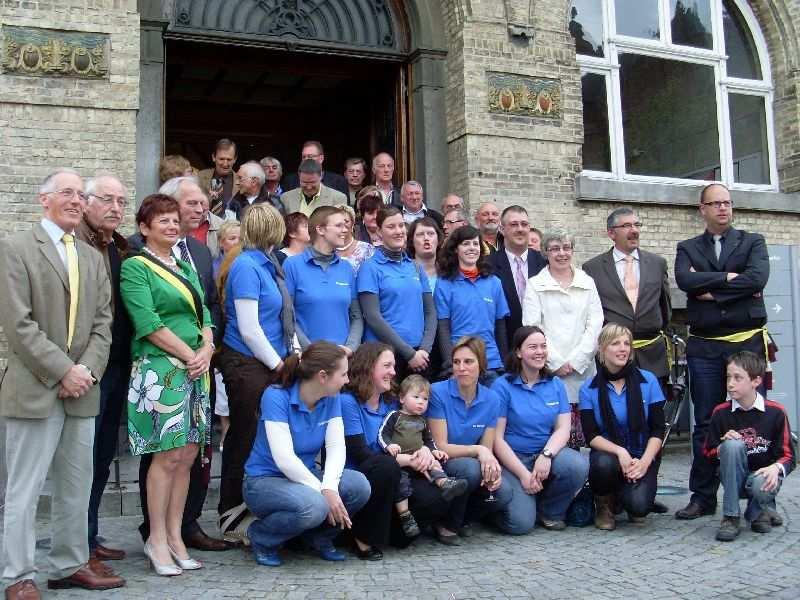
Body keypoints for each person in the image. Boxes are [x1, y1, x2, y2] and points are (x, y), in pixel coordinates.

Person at [0, 168, 120, 597]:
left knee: (76, 485)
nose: (74, 200)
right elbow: (18, 324)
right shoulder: (15, 249)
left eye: (79, 194)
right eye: (65, 192)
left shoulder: (92, 257)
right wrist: (63, 371)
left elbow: (104, 323)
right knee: (24, 489)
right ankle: (17, 575)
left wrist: (84, 371)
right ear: (43, 199)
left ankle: (69, 563)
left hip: (82, 391)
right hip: (34, 389)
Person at [129, 177, 227, 552]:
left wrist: (206, 347)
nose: (174, 224)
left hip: (198, 368)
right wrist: (190, 355)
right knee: (164, 453)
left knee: (190, 454)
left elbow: (207, 306)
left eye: (202, 203)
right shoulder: (137, 258)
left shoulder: (195, 255)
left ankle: (180, 530)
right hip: (161, 368)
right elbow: (146, 320)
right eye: (166, 219)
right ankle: (154, 535)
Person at [674, 183, 770, 521]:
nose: (723, 209)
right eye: (715, 204)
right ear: (702, 209)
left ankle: (761, 500)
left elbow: (757, 278)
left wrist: (712, 290)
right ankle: (702, 496)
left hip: (745, 342)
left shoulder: (752, 241)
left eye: (727, 203)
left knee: (756, 419)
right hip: (705, 347)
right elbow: (685, 281)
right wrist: (731, 280)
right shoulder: (686, 247)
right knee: (705, 421)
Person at [242, 342, 371, 566]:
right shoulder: (275, 396)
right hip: (264, 481)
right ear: (323, 376)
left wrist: (329, 486)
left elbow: (336, 447)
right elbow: (285, 459)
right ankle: (261, 537)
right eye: (343, 374)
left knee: (359, 485)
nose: (347, 380)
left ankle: (318, 537)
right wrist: (323, 491)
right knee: (315, 504)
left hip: (305, 478)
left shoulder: (332, 398)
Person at [216, 203, 297, 543]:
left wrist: (291, 353)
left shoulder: (270, 264)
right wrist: (279, 365)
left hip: (268, 363)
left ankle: (256, 509)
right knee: (244, 439)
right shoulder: (247, 266)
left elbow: (280, 318)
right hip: (249, 364)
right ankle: (231, 516)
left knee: (262, 439)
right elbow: (249, 328)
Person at [341, 343, 445, 559]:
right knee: (385, 466)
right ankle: (360, 536)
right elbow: (361, 454)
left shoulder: (390, 403)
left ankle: (392, 534)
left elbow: (415, 434)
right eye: (387, 366)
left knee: (436, 494)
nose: (393, 372)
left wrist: (425, 451)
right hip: (362, 475)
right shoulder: (348, 402)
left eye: (394, 366)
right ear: (368, 367)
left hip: (396, 476)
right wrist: (407, 460)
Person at [78, 174, 132, 565]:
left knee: (101, 456)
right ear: (86, 201)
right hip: (86, 366)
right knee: (81, 456)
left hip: (116, 365)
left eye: (122, 202)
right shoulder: (77, 244)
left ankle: (89, 535)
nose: (116, 208)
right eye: (108, 200)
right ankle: (75, 543)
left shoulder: (118, 246)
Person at [491, 327, 588, 534]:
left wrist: (546, 455)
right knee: (520, 525)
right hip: (513, 459)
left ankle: (550, 512)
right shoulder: (502, 386)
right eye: (532, 347)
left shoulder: (556, 384)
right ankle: (496, 511)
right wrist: (523, 474)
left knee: (577, 465)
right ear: (518, 352)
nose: (539, 352)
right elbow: (497, 439)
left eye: (543, 346)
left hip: (544, 454)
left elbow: (563, 429)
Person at [579, 324, 665, 530]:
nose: (623, 348)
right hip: (609, 455)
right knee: (602, 464)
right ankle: (604, 503)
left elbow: (657, 429)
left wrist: (644, 462)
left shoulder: (648, 381)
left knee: (639, 508)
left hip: (641, 453)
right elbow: (591, 435)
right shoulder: (588, 389)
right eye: (615, 343)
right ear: (602, 349)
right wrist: (620, 452)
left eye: (627, 343)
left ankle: (625, 496)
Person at [522, 231, 603, 446]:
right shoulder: (535, 285)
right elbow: (532, 327)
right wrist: (555, 363)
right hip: (549, 371)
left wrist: (577, 361)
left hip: (583, 371)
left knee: (588, 437)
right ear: (545, 252)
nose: (561, 253)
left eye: (566, 247)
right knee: (555, 438)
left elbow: (595, 324)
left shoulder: (588, 282)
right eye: (555, 248)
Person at [704, 351, 795, 541]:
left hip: (762, 478)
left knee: (762, 481)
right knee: (732, 445)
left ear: (756, 381)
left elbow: (789, 456)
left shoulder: (776, 412)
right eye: (729, 377)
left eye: (738, 378)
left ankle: (760, 512)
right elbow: (707, 451)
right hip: (732, 477)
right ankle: (731, 517)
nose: (730, 383)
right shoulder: (721, 413)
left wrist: (775, 468)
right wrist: (723, 447)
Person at [428, 337, 510, 540]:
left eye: (468, 362)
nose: (461, 368)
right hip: (440, 463)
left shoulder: (492, 399)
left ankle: (464, 519)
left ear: (481, 364)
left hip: (469, 462)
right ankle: (448, 524)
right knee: (471, 469)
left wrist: (492, 469)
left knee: (503, 492)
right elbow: (440, 446)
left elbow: (486, 447)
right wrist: (478, 452)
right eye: (456, 362)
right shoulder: (437, 392)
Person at [583, 208, 672, 385]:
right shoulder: (592, 268)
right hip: (612, 359)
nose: (634, 230)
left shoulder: (657, 263)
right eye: (626, 225)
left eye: (637, 225)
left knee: (653, 410)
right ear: (611, 233)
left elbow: (665, 307)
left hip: (652, 356)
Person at [378, 375, 469, 537]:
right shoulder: (395, 416)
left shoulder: (422, 421)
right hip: (401, 461)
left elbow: (428, 440)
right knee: (401, 485)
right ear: (401, 398)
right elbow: (382, 434)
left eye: (425, 399)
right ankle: (405, 516)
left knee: (434, 463)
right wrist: (389, 445)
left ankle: (445, 483)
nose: (421, 402)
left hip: (421, 459)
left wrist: (435, 451)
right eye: (416, 397)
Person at [357, 206, 436, 379]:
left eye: (401, 225)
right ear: (378, 232)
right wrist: (409, 353)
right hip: (384, 355)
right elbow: (372, 317)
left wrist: (424, 350)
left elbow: (430, 312)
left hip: (419, 357)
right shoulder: (369, 268)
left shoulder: (415, 267)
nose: (399, 231)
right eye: (391, 227)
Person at [435, 225, 509, 384]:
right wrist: (450, 364)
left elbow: (500, 326)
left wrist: (504, 362)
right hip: (461, 364)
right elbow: (443, 327)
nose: (472, 248)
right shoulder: (444, 284)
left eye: (475, 244)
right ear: (456, 249)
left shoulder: (494, 283)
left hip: (491, 363)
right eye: (466, 243)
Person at [284, 206, 362, 354]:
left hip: (343, 360)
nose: (345, 230)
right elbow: (288, 317)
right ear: (320, 230)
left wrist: (350, 348)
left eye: (346, 225)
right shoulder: (292, 265)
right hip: (309, 360)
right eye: (339, 225)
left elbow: (356, 316)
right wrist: (312, 351)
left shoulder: (347, 268)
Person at [488, 206, 547, 351]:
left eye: (524, 224)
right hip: (504, 346)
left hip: (541, 347)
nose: (520, 229)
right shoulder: (488, 265)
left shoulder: (544, 263)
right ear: (502, 229)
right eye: (514, 224)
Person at [211, 220, 240, 451]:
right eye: (232, 239)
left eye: (240, 238)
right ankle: (226, 429)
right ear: (221, 243)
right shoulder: (214, 266)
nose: (236, 243)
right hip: (222, 336)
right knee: (222, 391)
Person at [280, 159, 347, 216]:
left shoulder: (338, 198)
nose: (309, 187)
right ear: (299, 176)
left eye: (312, 182)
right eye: (305, 182)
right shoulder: (286, 198)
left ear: (321, 176)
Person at [282, 140, 348, 195]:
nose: (306, 160)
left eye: (310, 156)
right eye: (304, 157)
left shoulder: (338, 181)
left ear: (321, 158)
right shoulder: (290, 181)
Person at [198, 138, 238, 216]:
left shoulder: (241, 181)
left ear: (235, 159)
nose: (225, 163)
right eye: (221, 159)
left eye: (229, 159)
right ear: (213, 157)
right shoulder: (200, 177)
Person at [333, 203, 374, 273]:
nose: (342, 225)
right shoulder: (325, 250)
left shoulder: (367, 249)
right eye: (337, 221)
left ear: (353, 224)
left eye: (346, 221)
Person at [406, 216, 442, 292]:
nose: (426, 238)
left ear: (438, 239)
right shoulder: (404, 272)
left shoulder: (448, 272)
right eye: (420, 234)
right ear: (412, 241)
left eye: (430, 234)